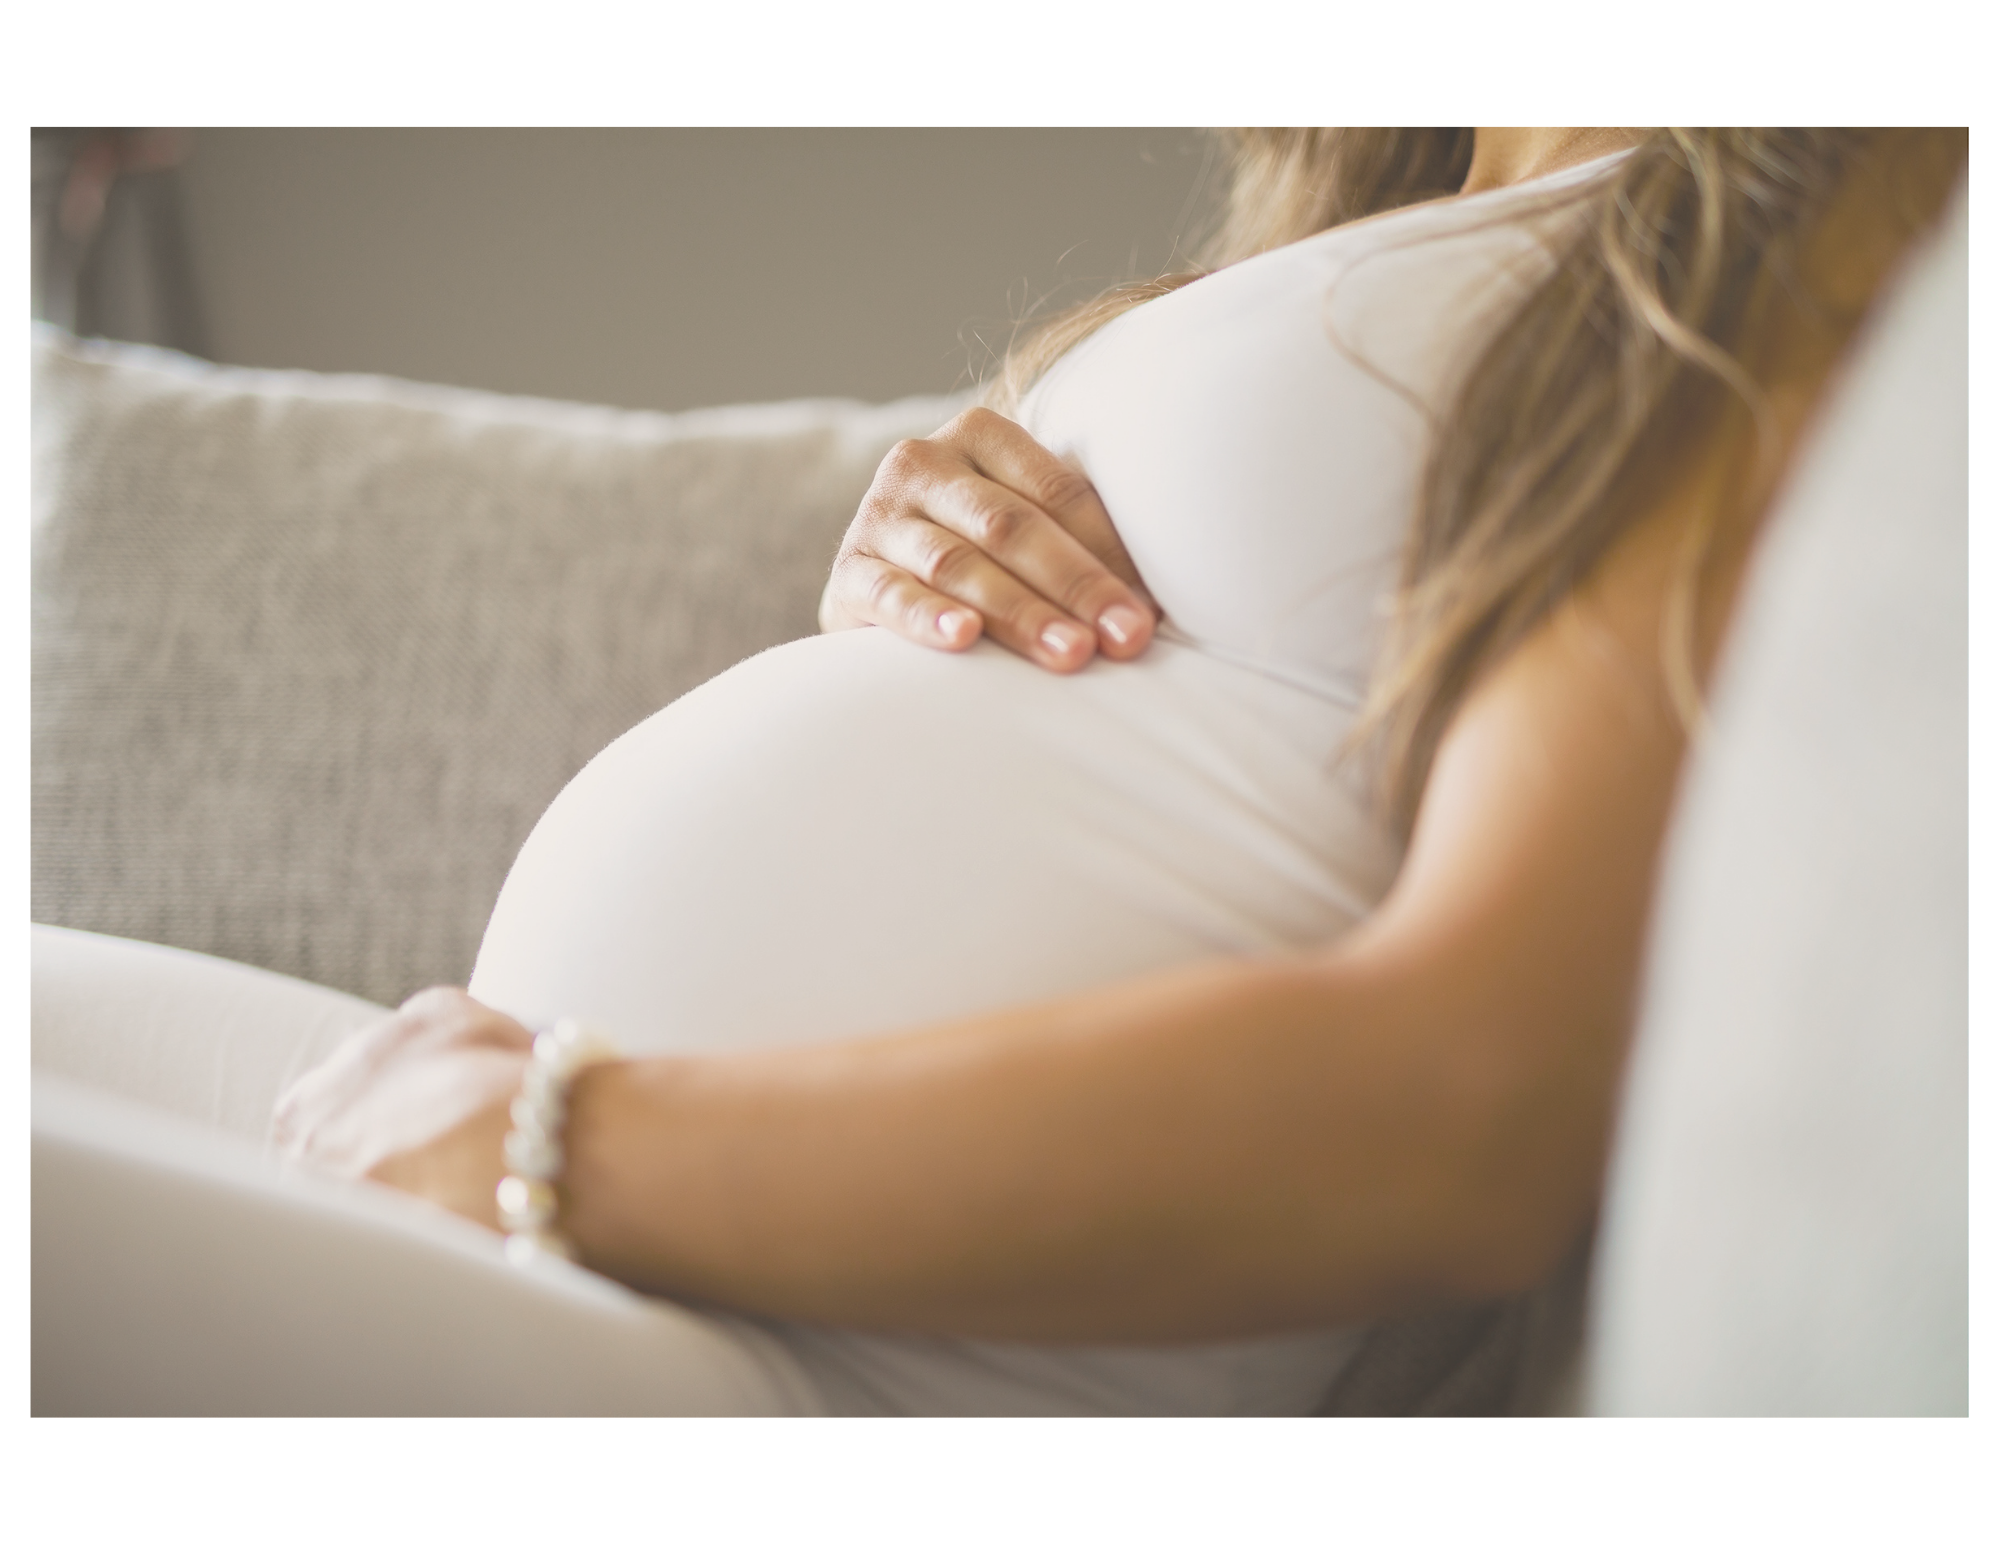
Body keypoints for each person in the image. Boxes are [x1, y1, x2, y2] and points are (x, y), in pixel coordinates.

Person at [42, 127, 1965, 1416]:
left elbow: (1467, 1103)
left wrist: (558, 1145)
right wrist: (918, 589)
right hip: (587, 1235)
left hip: (801, 1369)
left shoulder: (1815, 224)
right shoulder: (1409, 201)